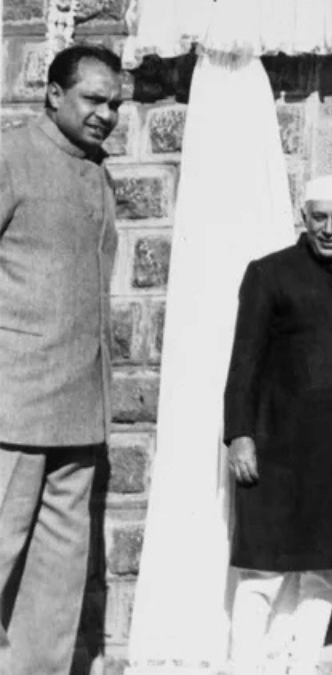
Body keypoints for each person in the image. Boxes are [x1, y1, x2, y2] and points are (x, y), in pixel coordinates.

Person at [222, 175, 332, 675]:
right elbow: (245, 363)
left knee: (324, 572)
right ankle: (245, 668)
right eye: (318, 217)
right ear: (304, 218)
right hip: (278, 449)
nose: (328, 229)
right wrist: (239, 433)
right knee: (263, 572)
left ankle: (298, 666)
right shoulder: (269, 274)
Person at [0, 43, 122, 674]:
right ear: (53, 93)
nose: (106, 114)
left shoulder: (97, 174)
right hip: (12, 410)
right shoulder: (11, 156)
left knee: (53, 590)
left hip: (79, 415)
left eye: (115, 104)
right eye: (93, 99)